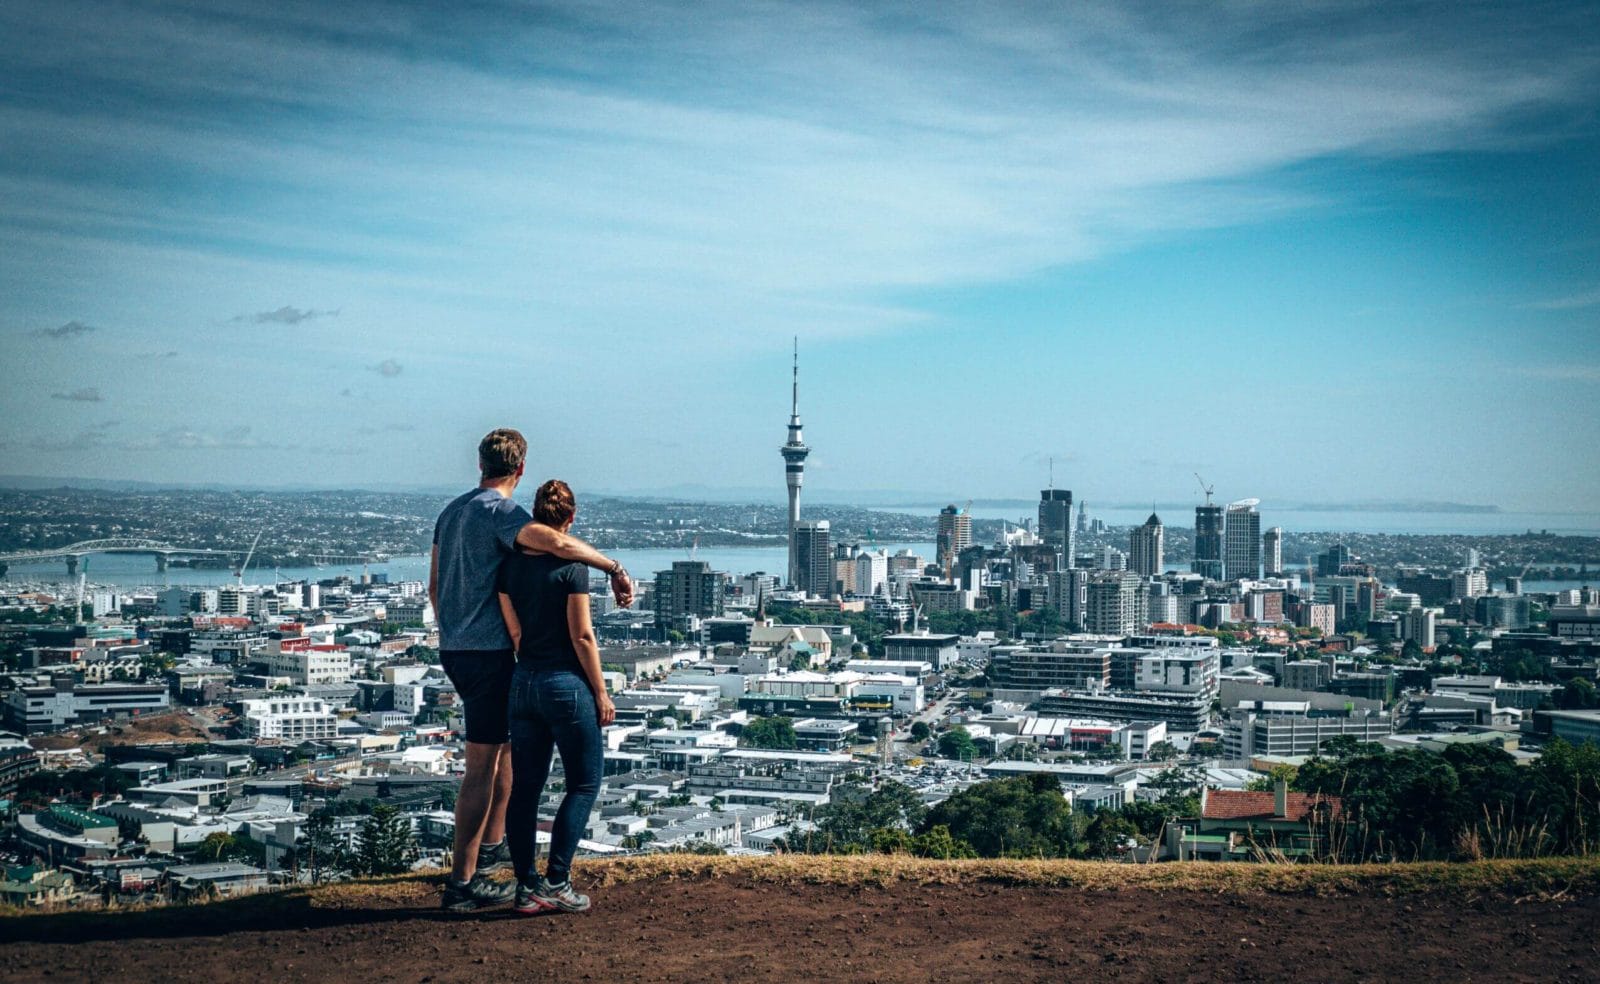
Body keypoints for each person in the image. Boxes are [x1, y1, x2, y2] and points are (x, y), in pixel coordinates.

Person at [430, 430, 632, 912]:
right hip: (490, 654)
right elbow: (556, 543)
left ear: (479, 463)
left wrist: (452, 631)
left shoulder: (451, 512)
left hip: (457, 647)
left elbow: (436, 586)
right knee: (482, 764)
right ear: (520, 470)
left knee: (501, 755)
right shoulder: (501, 513)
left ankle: (491, 858)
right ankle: (463, 883)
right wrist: (613, 567)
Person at [497, 479, 614, 914]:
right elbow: (582, 635)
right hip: (565, 683)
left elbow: (515, 632)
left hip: (523, 681)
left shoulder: (508, 566)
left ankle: (526, 885)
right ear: (570, 521)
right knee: (583, 783)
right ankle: (558, 880)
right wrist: (600, 692)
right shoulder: (571, 570)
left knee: (525, 788)